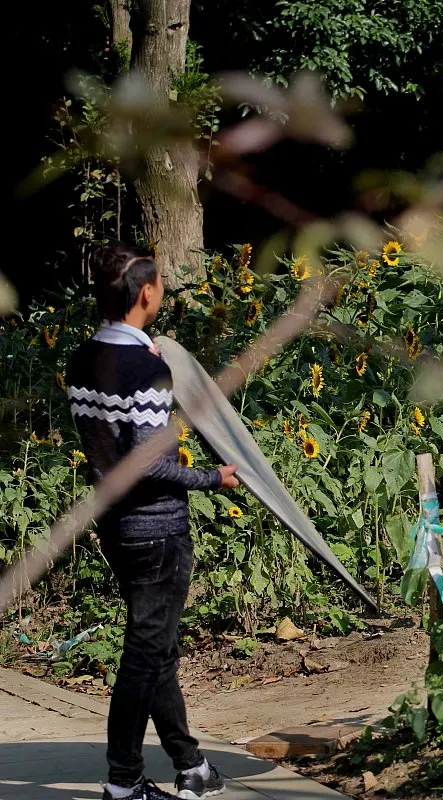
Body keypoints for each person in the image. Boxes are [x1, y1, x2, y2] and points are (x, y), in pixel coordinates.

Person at [66, 243, 239, 800]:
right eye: (160, 282)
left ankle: (192, 767)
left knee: (156, 645)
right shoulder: (148, 370)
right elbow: (155, 464)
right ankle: (124, 782)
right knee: (145, 655)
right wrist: (217, 478)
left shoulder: (82, 360)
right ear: (147, 292)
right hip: (157, 531)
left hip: (115, 527)